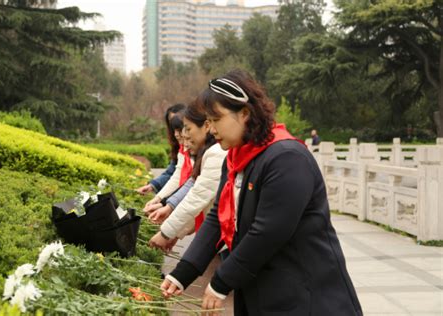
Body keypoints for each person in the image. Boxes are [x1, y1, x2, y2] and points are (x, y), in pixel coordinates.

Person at [161, 69, 362, 316]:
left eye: (216, 119)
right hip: (263, 292)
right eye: (209, 122)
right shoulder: (235, 159)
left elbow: (268, 232)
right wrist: (183, 273)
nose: (211, 129)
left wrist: (221, 282)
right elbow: (218, 218)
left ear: (244, 113)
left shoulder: (286, 158)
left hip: (305, 295)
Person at [149, 101, 227, 252]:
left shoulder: (216, 153)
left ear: (206, 126)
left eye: (188, 129)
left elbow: (197, 197)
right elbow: (192, 186)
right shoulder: (206, 152)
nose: (183, 135)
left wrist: (166, 233)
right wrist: (175, 231)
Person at [136, 103, 186, 195]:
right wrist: (152, 186)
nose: (176, 132)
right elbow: (173, 173)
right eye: (172, 123)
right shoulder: (179, 148)